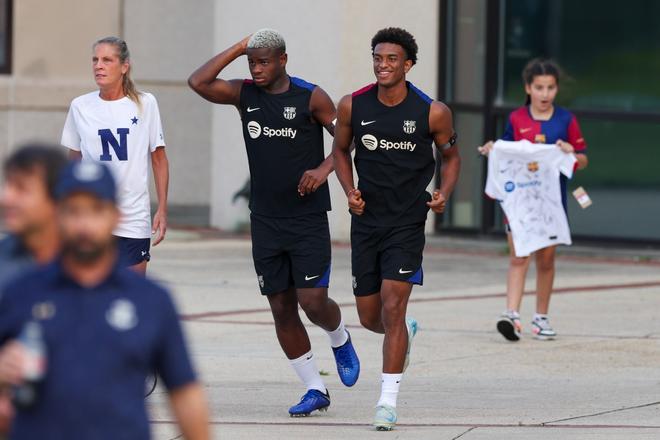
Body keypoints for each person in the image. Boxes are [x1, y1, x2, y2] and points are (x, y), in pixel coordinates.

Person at [188, 28, 359, 417]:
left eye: (263, 61)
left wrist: (323, 168)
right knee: (281, 307)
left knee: (312, 302)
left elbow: (344, 141)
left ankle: (339, 336)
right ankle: (315, 388)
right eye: (252, 62)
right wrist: (237, 47)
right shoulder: (244, 93)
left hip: (307, 218)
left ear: (283, 59)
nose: (257, 69)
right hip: (265, 221)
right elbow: (197, 82)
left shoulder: (310, 96)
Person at [0, 161, 209, 439]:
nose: (84, 224)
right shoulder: (20, 293)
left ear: (116, 216)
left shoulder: (152, 301)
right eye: (73, 211)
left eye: (96, 210)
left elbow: (185, 394)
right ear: (58, 216)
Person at [332, 27, 461, 430]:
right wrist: (349, 189)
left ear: (408, 65)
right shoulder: (353, 104)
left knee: (393, 304)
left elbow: (452, 156)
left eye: (391, 59)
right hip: (366, 221)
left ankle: (387, 403)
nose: (383, 65)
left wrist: (444, 191)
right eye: (378, 57)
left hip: (407, 221)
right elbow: (339, 151)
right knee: (372, 316)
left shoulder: (431, 111)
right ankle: (404, 334)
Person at [478, 58, 589, 341]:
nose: (544, 94)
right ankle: (512, 315)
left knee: (547, 259)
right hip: (520, 203)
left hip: (550, 203)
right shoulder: (516, 119)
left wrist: (569, 153)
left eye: (550, 88)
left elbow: (583, 159)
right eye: (539, 87)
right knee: (519, 256)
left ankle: (541, 317)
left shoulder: (566, 120)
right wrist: (493, 148)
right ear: (528, 88)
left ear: (556, 89)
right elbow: (504, 148)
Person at [61, 36, 169, 275]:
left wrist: (162, 208)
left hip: (133, 216)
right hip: (93, 215)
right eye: (95, 60)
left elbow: (159, 158)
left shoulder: (145, 103)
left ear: (124, 66)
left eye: (107, 60)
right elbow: (74, 160)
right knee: (91, 290)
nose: (98, 66)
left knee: (132, 295)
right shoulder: (80, 106)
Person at [0, 144, 67, 437]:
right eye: (7, 185)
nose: (5, 197)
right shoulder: (5, 266)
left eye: (21, 188)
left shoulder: (93, 267)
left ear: (55, 200)